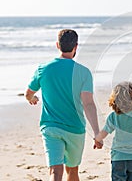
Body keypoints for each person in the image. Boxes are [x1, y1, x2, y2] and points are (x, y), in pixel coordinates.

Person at [25, 29, 102, 181]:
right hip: (75, 129)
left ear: (57, 45)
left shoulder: (43, 69)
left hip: (51, 127)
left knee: (55, 170)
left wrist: (32, 98)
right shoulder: (83, 72)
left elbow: (28, 93)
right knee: (72, 171)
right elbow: (88, 104)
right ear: (76, 47)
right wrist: (97, 133)